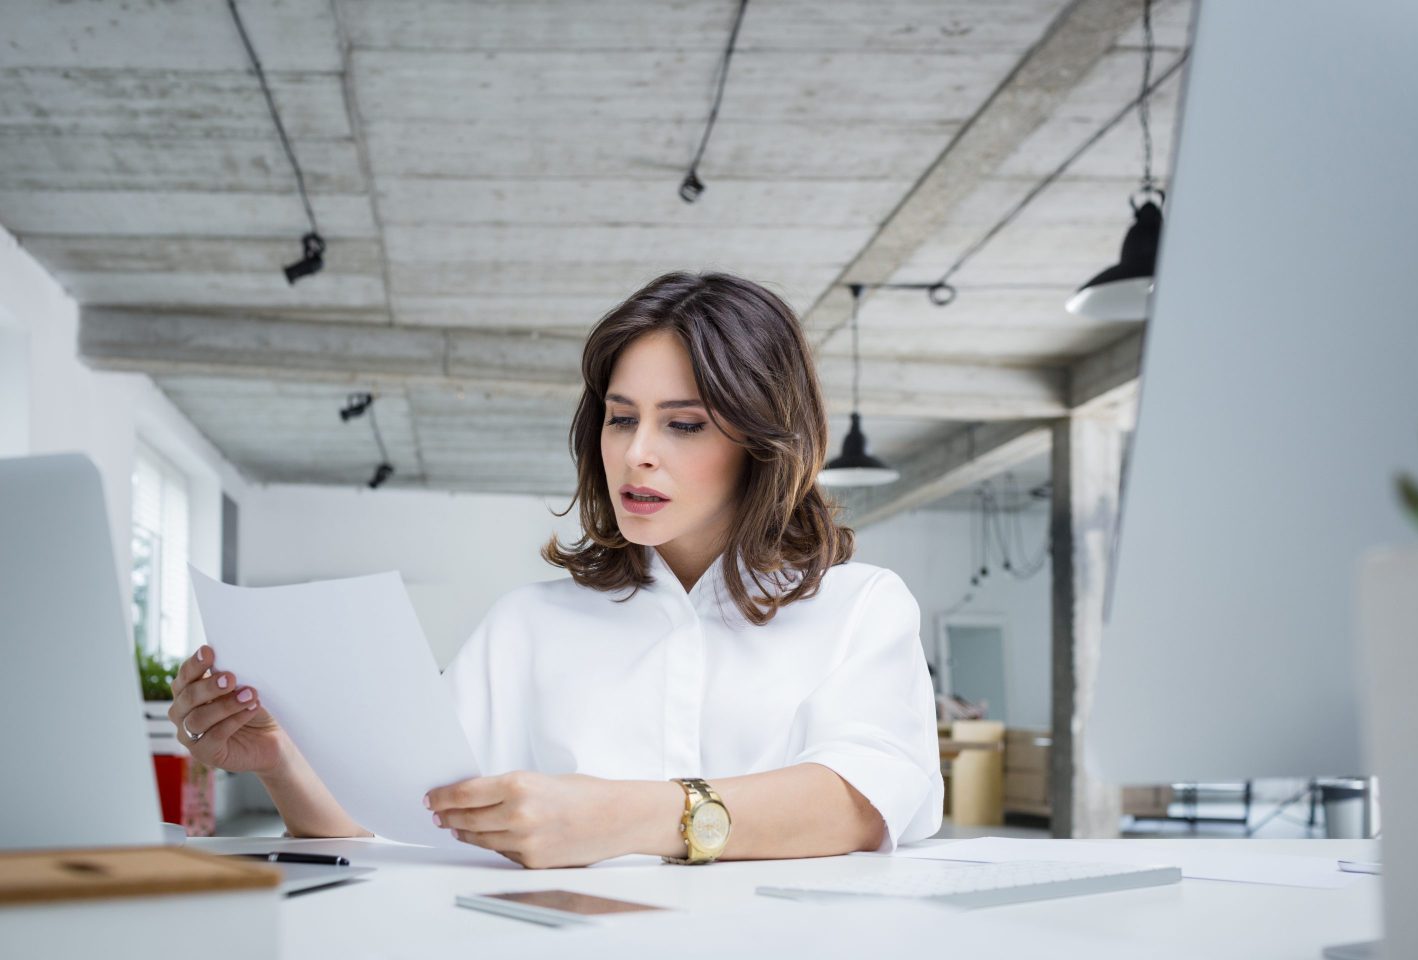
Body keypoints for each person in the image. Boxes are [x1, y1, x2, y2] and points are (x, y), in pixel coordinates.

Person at [168, 272, 943, 868]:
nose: (638, 450)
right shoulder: (528, 624)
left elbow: (865, 799)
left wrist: (622, 817)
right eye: (620, 416)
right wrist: (279, 765)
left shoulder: (860, 607)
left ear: (765, 441)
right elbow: (405, 830)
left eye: (683, 424)